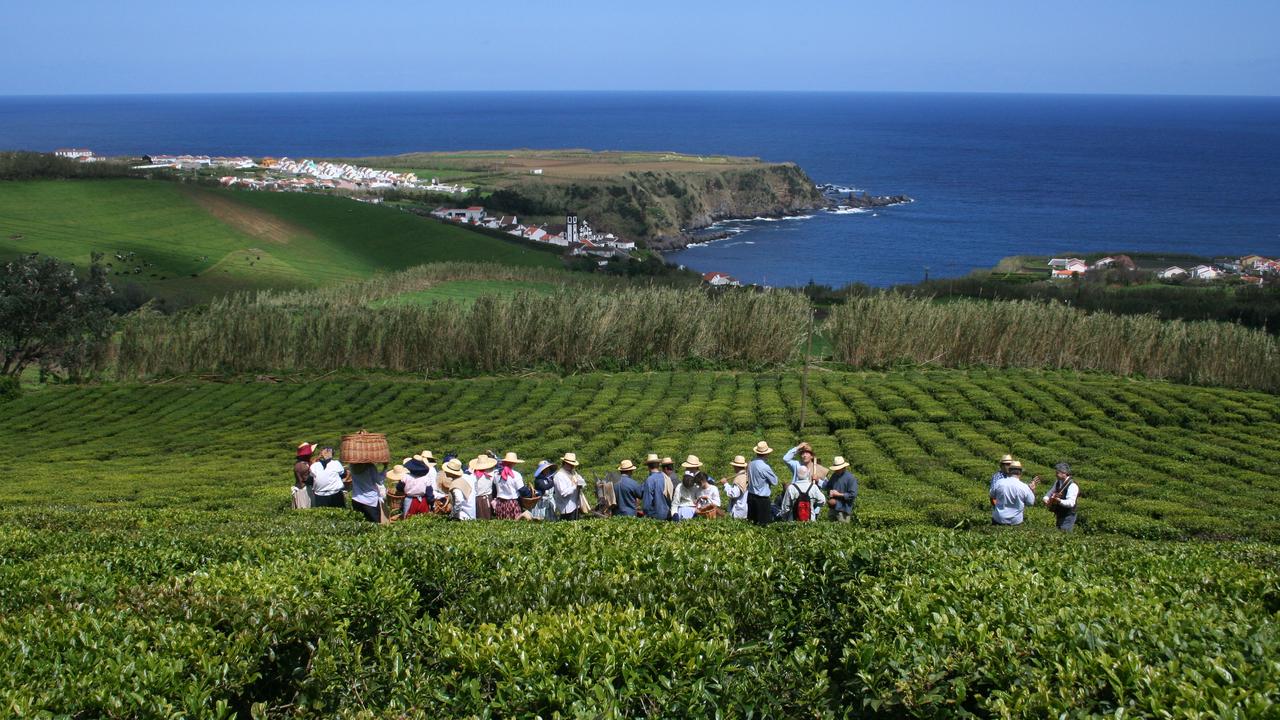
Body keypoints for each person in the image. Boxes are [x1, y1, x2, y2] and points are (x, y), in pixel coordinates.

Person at [783, 442, 827, 520]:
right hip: (796, 504)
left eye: (807, 453)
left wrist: (818, 481)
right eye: (803, 453)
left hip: (812, 507)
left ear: (811, 456)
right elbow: (785, 459)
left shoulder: (818, 468)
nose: (804, 455)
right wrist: (798, 447)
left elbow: (827, 486)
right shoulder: (797, 465)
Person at [990, 460, 1038, 526]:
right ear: (1020, 473)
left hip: (999, 519)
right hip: (1016, 522)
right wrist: (1032, 490)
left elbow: (992, 495)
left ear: (1009, 471)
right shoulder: (1024, 487)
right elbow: (1031, 503)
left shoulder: (999, 483)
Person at [747, 441, 779, 526]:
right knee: (763, 525)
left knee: (752, 524)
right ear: (766, 454)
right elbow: (775, 481)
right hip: (762, 500)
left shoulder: (750, 463)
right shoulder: (765, 467)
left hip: (750, 496)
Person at [1042, 462, 1079, 531]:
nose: (1056, 474)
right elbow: (1050, 492)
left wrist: (1059, 501)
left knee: (1064, 532)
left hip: (1068, 515)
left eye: (1057, 473)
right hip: (1059, 513)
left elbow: (1071, 503)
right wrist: (1046, 498)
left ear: (1064, 473)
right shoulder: (1058, 482)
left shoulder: (1072, 485)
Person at [553, 452, 586, 521]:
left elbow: (582, 481)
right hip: (567, 508)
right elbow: (563, 493)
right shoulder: (559, 476)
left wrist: (581, 484)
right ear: (565, 463)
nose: (572, 466)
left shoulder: (573, 473)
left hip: (576, 505)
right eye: (571, 465)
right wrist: (575, 486)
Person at [825, 455, 858, 522]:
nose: (836, 470)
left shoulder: (850, 478)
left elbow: (853, 495)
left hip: (844, 510)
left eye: (838, 469)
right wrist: (830, 491)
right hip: (833, 509)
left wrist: (838, 494)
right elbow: (828, 487)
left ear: (844, 467)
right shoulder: (834, 475)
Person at [493, 451, 525, 520]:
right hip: (512, 503)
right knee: (515, 524)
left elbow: (494, 488)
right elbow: (522, 490)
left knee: (502, 524)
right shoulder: (516, 475)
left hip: (500, 503)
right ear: (514, 463)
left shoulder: (496, 474)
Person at [671, 455, 703, 521]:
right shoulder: (680, 486)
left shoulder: (699, 484)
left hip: (696, 511)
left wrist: (699, 509)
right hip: (682, 510)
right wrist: (674, 514)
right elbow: (675, 503)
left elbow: (701, 500)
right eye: (688, 468)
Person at [641, 454, 671, 521]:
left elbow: (647, 504)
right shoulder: (666, 477)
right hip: (668, 513)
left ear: (648, 466)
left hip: (655, 516)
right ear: (658, 465)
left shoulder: (650, 480)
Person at [722, 455, 749, 520]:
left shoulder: (740, 478)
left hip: (738, 510)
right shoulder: (745, 475)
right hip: (744, 508)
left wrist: (725, 484)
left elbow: (734, 494)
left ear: (736, 466)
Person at [292, 442, 316, 509]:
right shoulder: (302, 466)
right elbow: (308, 479)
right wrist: (313, 466)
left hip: (304, 490)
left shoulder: (302, 463)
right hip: (304, 491)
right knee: (305, 509)